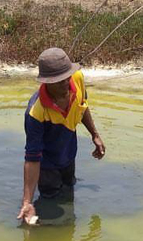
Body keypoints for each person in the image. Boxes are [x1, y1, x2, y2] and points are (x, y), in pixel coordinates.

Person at [17, 47, 106, 225]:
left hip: (68, 155)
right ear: (47, 83)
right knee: (51, 207)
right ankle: (39, 225)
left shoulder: (77, 79)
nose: (66, 85)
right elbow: (32, 158)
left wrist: (94, 135)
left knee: (68, 194)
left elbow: (82, 105)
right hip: (47, 166)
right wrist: (27, 201)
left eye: (67, 78)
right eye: (59, 82)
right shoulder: (36, 112)